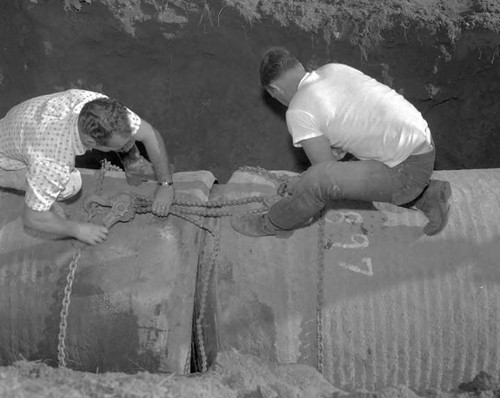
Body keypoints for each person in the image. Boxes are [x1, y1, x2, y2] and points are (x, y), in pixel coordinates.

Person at [231, 47, 452, 237]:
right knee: (340, 167)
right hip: (423, 145)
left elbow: (327, 173)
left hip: (405, 173)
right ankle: (428, 196)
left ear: (275, 90)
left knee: (317, 182)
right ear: (298, 66)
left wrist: (301, 185)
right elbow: (358, 119)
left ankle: (274, 223)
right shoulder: (333, 69)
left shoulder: (298, 110)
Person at [0, 89, 175, 245]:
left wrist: (166, 185)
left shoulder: (96, 107)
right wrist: (78, 230)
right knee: (71, 185)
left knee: (126, 135)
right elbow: (32, 218)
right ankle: (46, 197)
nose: (130, 141)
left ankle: (133, 163)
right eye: (118, 145)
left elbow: (149, 134)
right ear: (91, 143)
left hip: (18, 126)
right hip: (6, 160)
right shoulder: (52, 161)